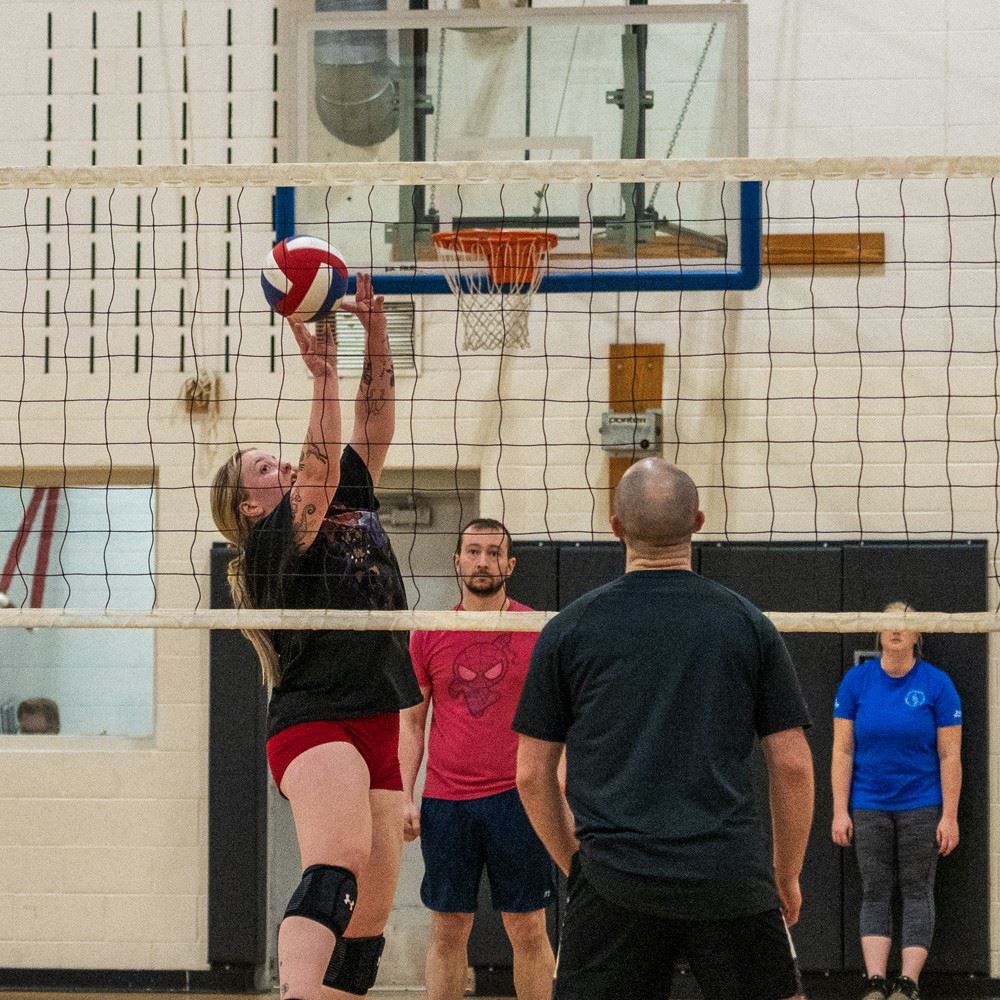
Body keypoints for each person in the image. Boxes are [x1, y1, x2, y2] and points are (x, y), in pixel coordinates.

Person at [513, 457, 815, 1000]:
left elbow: (532, 776)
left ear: (615, 527)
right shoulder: (747, 623)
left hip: (613, 879)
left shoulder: (568, 629)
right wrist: (785, 872)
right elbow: (792, 766)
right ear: (698, 522)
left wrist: (579, 866)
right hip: (729, 876)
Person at [210, 274, 422, 1000]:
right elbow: (322, 465)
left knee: (369, 919)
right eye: (266, 467)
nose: (284, 462)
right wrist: (323, 374)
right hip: (316, 718)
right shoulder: (268, 544)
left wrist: (375, 334)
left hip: (378, 709)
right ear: (249, 503)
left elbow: (374, 427)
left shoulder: (343, 495)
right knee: (338, 862)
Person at [399, 518, 555, 1000]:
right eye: (473, 551)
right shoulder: (430, 632)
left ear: (510, 564)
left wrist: (560, 791)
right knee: (448, 928)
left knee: (527, 927)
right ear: (457, 561)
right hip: (447, 802)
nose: (482, 561)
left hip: (518, 800)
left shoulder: (536, 629)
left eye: (493, 552)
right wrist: (404, 795)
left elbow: (558, 723)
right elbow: (412, 723)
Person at [831, 602, 962, 1000]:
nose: (896, 630)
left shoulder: (937, 684)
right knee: (875, 890)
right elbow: (842, 750)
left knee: (917, 890)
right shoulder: (856, 681)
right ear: (878, 631)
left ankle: (908, 983)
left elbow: (950, 755)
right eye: (888, 623)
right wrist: (839, 810)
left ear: (917, 634)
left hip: (921, 804)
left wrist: (950, 816)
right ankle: (875, 981)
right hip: (869, 803)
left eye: (905, 624)